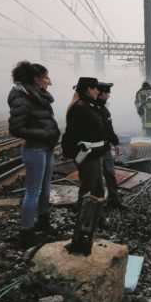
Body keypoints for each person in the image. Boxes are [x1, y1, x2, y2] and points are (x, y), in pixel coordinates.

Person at [7, 61, 60, 248]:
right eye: (46, 77)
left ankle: (43, 222)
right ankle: (26, 232)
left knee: (45, 190)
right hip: (35, 149)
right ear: (36, 79)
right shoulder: (22, 98)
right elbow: (16, 128)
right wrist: (45, 135)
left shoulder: (38, 95)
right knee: (33, 192)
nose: (48, 81)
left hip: (46, 149)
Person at [62, 77, 107, 211]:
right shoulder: (80, 108)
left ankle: (97, 217)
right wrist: (71, 153)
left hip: (95, 155)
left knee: (98, 187)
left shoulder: (89, 106)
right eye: (96, 89)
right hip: (88, 155)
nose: (98, 92)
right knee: (88, 188)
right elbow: (72, 133)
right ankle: (83, 219)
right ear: (89, 89)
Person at [97, 82, 127, 210]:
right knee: (96, 179)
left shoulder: (103, 108)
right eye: (108, 93)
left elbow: (109, 128)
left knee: (110, 173)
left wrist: (115, 142)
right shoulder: (92, 108)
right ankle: (97, 209)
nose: (109, 95)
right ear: (102, 93)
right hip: (95, 148)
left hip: (105, 147)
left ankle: (114, 200)